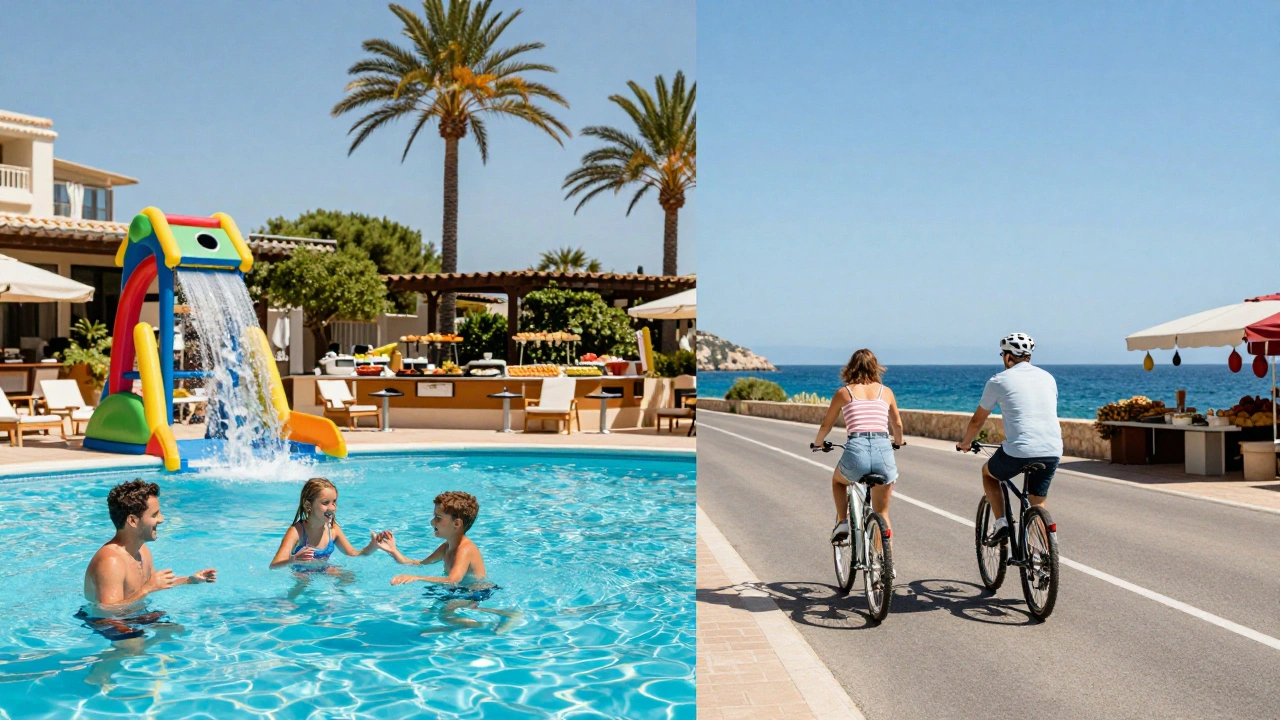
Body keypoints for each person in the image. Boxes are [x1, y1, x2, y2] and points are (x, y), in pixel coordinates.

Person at [956, 333, 1063, 546]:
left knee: (989, 474)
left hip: (1020, 451)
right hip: (1052, 449)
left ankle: (1002, 523)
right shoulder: (1048, 378)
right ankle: (1041, 553)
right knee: (1037, 503)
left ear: (1007, 357)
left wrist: (965, 443)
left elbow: (977, 421)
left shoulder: (999, 380)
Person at [82, 479, 216, 634]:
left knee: (176, 630)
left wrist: (189, 580)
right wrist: (147, 589)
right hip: (104, 621)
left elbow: (156, 582)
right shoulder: (111, 561)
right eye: (154, 514)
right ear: (132, 520)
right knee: (135, 646)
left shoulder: (143, 551)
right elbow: (108, 611)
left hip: (133, 616)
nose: (161, 519)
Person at [378, 491, 520, 632]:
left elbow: (453, 578)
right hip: (458, 589)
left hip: (476, 590)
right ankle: (493, 616)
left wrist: (417, 577)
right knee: (428, 614)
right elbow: (419, 564)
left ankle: (490, 626)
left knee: (445, 615)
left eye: (438, 518)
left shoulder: (465, 549)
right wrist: (393, 550)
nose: (432, 522)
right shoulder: (446, 547)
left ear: (457, 523)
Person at [813, 349, 905, 545]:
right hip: (883, 450)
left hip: (857, 450)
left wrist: (818, 443)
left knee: (838, 481)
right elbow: (897, 424)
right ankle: (883, 566)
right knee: (882, 512)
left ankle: (843, 522)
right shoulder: (886, 392)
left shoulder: (843, 393)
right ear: (875, 367)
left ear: (851, 367)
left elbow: (826, 424)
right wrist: (898, 441)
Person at [269, 478, 387, 571]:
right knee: (302, 586)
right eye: (326, 503)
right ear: (308, 506)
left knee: (348, 577)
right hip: (302, 572)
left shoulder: (333, 529)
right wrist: (293, 559)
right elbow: (274, 565)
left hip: (323, 569)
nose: (332, 507)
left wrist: (373, 546)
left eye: (334, 501)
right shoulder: (297, 531)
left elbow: (353, 553)